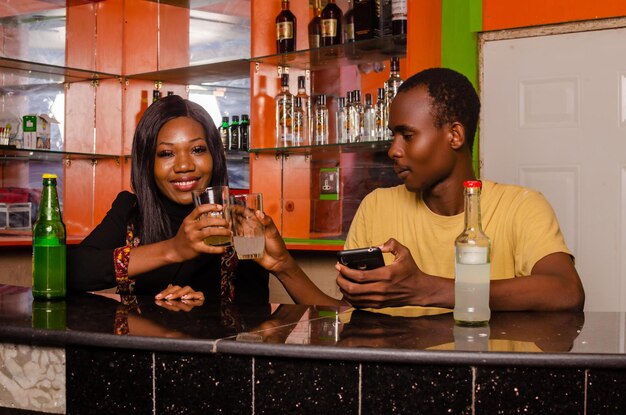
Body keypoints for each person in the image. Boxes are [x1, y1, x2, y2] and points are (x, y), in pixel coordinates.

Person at [334, 67, 585, 311]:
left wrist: (426, 289)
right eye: (393, 137)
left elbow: (567, 291)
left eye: (407, 136)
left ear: (454, 135)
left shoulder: (520, 206)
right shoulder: (376, 206)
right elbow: (347, 314)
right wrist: (291, 270)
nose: (393, 150)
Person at [68, 95, 341, 307]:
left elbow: (254, 323)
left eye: (198, 149)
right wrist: (174, 249)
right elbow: (71, 271)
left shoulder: (239, 221)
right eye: (166, 154)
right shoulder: (130, 211)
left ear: (215, 155)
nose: (184, 165)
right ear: (147, 164)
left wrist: (200, 309)